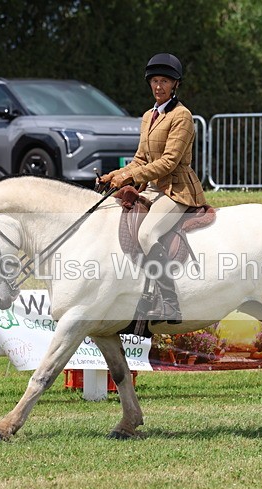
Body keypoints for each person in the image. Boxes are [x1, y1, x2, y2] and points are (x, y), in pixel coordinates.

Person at [99, 53, 206, 324]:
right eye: (155, 81)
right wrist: (115, 175)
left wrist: (131, 177)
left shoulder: (182, 116)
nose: (159, 86)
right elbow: (141, 158)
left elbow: (168, 163)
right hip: (153, 188)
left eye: (165, 81)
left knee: (147, 233)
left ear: (175, 85)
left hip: (177, 189)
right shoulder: (148, 115)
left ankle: (170, 303)